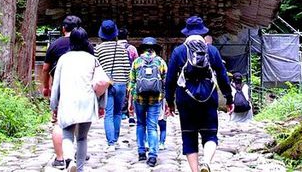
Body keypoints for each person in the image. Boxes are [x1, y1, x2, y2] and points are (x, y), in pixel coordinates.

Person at [165, 15, 233, 172]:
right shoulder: (212, 51)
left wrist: (169, 102)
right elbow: (223, 76)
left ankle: (195, 170)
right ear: (203, 33)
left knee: (189, 136)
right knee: (210, 134)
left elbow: (169, 79)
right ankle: (207, 162)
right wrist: (229, 98)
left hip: (185, 98)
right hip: (208, 97)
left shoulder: (179, 51)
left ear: (187, 33)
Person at [50, 28, 108, 172]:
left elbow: (56, 85)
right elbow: (101, 82)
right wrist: (101, 105)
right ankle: (80, 168)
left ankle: (69, 161)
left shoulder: (63, 59)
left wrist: (54, 106)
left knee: (67, 134)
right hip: (87, 100)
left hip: (68, 100)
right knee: (82, 138)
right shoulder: (92, 60)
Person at [41, 15, 91, 168]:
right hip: (83, 89)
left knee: (60, 124)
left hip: (62, 87)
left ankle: (61, 158)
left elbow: (45, 68)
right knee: (81, 130)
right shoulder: (87, 47)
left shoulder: (55, 45)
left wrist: (46, 87)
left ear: (63, 28)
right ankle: (79, 156)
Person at [128, 36, 167, 167]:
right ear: (155, 49)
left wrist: (131, 98)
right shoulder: (160, 62)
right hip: (155, 99)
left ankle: (140, 152)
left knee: (140, 124)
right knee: (152, 127)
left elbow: (131, 82)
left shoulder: (137, 62)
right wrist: (165, 99)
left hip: (139, 99)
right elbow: (165, 82)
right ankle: (153, 155)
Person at [94, 19, 131, 149]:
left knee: (108, 113)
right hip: (121, 83)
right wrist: (127, 84)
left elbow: (96, 67)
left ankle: (111, 142)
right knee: (118, 113)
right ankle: (115, 138)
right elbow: (127, 67)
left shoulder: (98, 49)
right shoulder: (121, 49)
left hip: (107, 84)